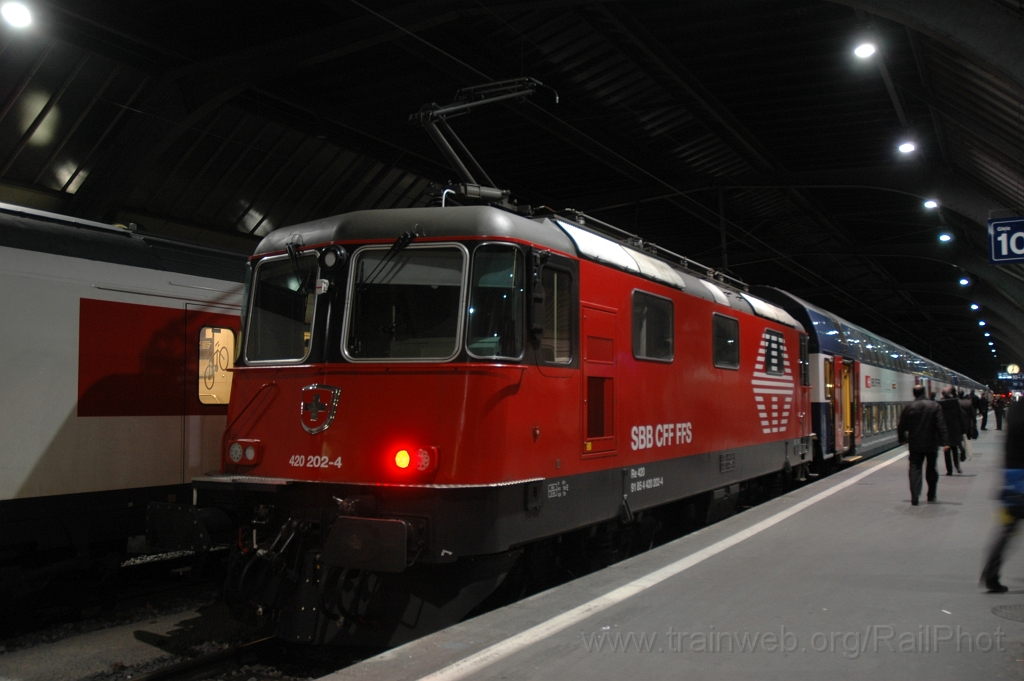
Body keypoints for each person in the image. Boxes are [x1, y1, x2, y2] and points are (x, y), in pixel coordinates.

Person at [980, 402, 1024, 592]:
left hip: (1011, 477)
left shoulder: (1015, 409)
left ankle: (991, 574)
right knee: (1008, 529)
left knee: (1008, 529)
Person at [898, 384, 949, 505]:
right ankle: (931, 495)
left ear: (914, 394)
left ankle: (915, 496)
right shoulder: (935, 406)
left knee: (914, 468)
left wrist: (902, 439)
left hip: (915, 443)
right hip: (931, 443)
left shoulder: (909, 407)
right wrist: (945, 442)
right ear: (925, 392)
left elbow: (901, 426)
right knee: (931, 468)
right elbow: (941, 425)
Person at [939, 387, 969, 475]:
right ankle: (957, 466)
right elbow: (961, 416)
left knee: (946, 450)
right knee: (954, 449)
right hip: (955, 429)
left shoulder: (940, 404)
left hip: (945, 430)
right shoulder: (955, 402)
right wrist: (964, 428)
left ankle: (949, 470)